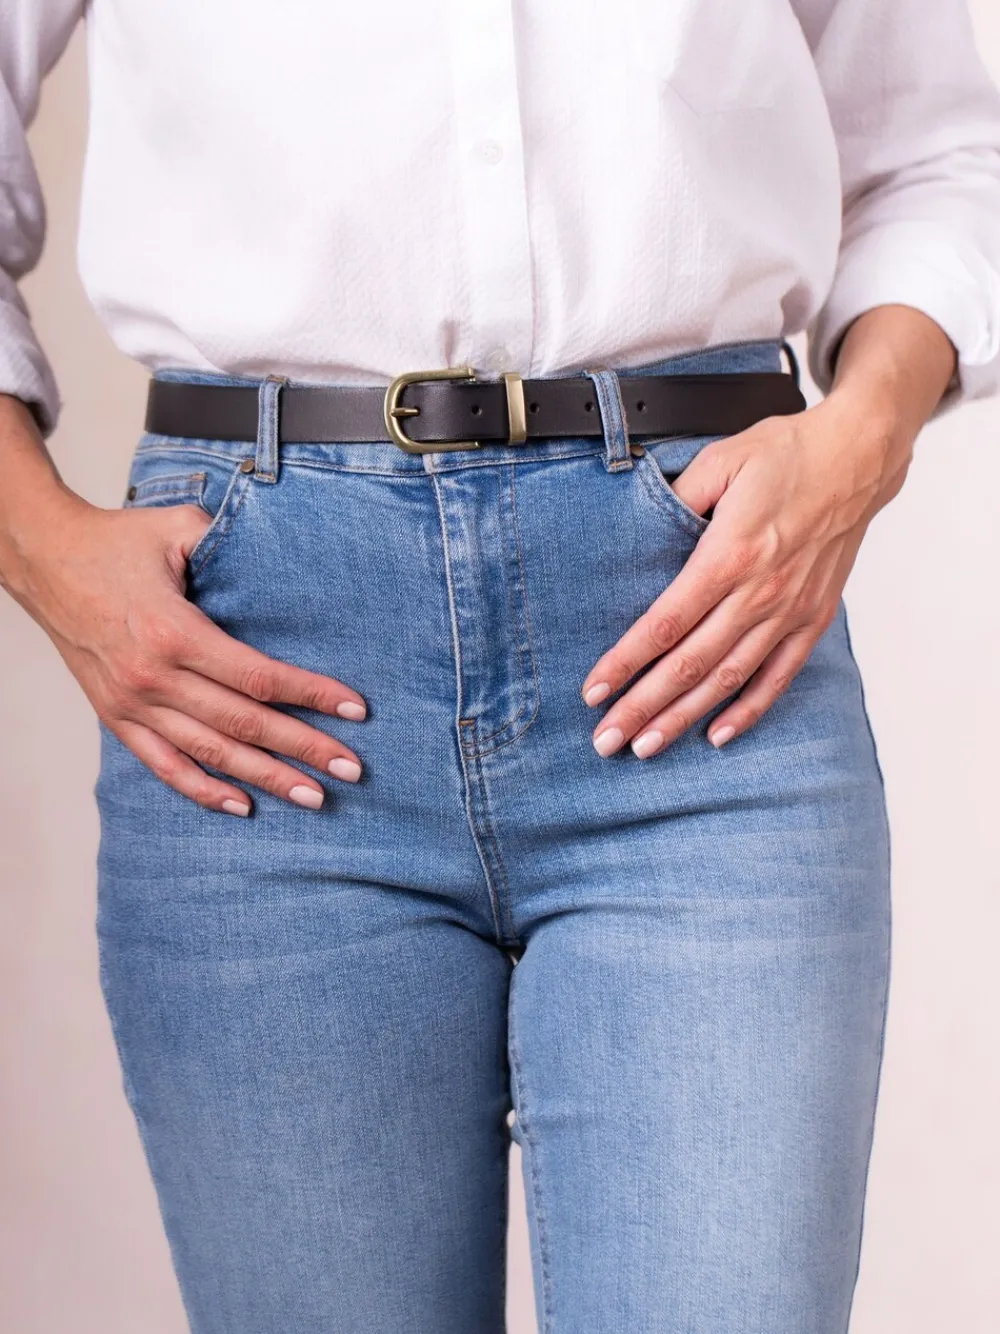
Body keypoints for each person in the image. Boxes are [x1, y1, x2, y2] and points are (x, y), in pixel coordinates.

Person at [1, 1, 999, 1331]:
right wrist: (41, 546)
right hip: (258, 664)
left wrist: (862, 439)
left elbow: (934, 150)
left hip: (705, 634)